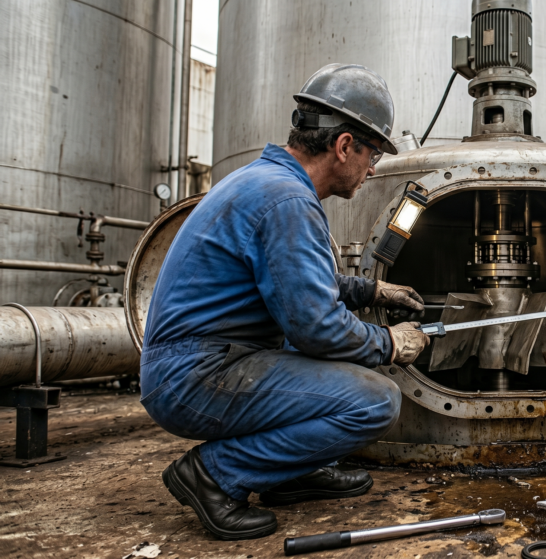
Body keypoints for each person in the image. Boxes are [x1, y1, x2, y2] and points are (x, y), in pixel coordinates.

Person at [138, 64, 430, 541]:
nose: (373, 168)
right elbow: (316, 327)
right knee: (376, 402)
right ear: (343, 146)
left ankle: (290, 473)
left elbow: (295, 282)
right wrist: (390, 343)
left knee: (315, 361)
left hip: (196, 363)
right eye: (373, 152)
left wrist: (371, 290)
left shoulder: (266, 181)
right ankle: (214, 475)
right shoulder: (287, 201)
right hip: (194, 376)